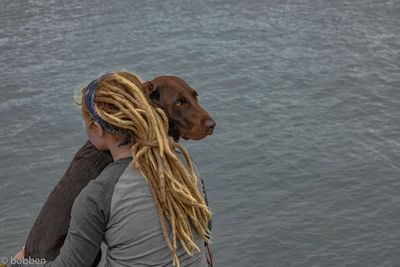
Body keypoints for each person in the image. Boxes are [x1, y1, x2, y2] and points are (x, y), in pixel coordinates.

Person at [13, 71, 211, 267]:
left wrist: (19, 264)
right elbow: (205, 230)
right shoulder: (187, 167)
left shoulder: (98, 193)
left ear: (97, 129)